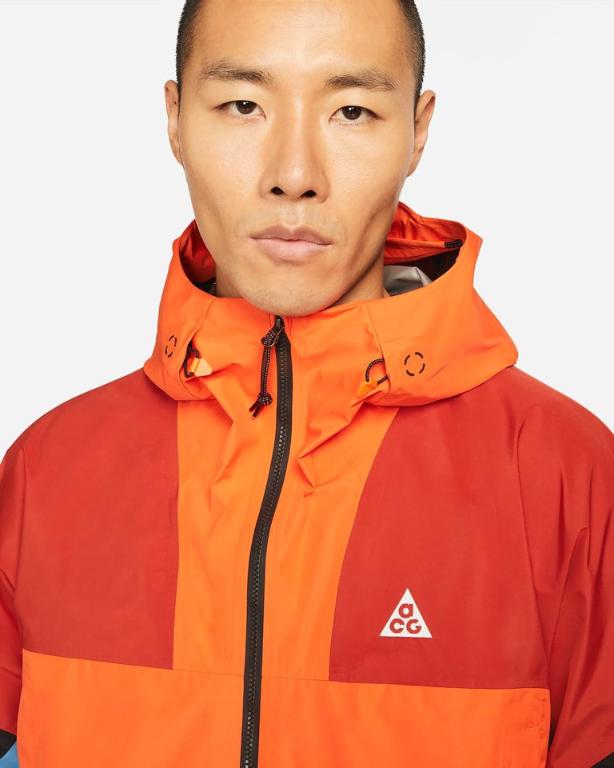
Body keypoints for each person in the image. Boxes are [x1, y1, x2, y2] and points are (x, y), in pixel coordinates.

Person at [0, 0, 612, 765]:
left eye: (351, 111)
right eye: (243, 106)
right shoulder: (43, 477)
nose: (294, 176)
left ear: (417, 130)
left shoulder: (567, 480)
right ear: (176, 120)